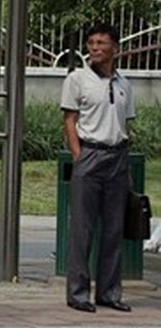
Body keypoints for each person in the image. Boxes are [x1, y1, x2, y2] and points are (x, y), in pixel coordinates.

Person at [61, 22, 134, 313]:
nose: (95, 48)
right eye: (91, 43)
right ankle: (78, 293)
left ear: (115, 48)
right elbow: (69, 119)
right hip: (90, 154)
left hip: (117, 156)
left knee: (114, 229)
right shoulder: (77, 79)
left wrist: (125, 163)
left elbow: (126, 123)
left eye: (102, 43)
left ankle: (109, 292)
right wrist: (78, 155)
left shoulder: (125, 83)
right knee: (83, 229)